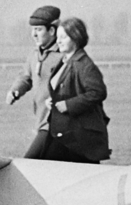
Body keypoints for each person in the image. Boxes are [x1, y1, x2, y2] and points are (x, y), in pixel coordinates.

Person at [43, 16, 110, 162]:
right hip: (61, 133)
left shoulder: (84, 64)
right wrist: (52, 100)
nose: (58, 41)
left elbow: (97, 92)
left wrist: (68, 105)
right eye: (58, 37)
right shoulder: (63, 62)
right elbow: (62, 89)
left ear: (75, 38)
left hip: (77, 138)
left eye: (63, 37)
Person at [6, 5, 64, 158]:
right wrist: (15, 90)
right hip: (41, 121)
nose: (34, 34)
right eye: (33, 30)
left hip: (56, 123)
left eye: (38, 29)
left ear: (52, 31)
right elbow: (26, 76)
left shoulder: (64, 56)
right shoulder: (34, 55)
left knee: (30, 162)